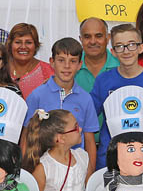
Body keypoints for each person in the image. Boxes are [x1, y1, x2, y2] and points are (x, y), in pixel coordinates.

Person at [91, 24, 143, 171]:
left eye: (131, 45)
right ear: (113, 51)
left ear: (141, 48)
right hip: (109, 160)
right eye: (119, 46)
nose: (126, 51)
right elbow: (88, 115)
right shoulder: (103, 80)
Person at [23, 38, 98, 177]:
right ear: (52, 62)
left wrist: (90, 173)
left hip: (76, 169)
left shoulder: (85, 99)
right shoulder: (37, 95)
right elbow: (26, 135)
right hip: (43, 167)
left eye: (73, 61)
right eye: (61, 60)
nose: (67, 66)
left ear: (80, 64)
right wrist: (25, 170)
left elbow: (89, 139)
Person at [25, 109, 89, 191]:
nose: (80, 129)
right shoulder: (43, 167)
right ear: (61, 138)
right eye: (75, 127)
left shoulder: (83, 157)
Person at [7, 23, 53, 98]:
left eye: (28, 42)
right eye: (18, 42)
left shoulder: (48, 71)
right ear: (10, 44)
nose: (23, 47)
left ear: (36, 45)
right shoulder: (0, 69)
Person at [75, 17, 119, 93]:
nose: (93, 41)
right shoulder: (70, 67)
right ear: (81, 39)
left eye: (98, 36)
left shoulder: (121, 66)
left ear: (108, 38)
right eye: (87, 37)